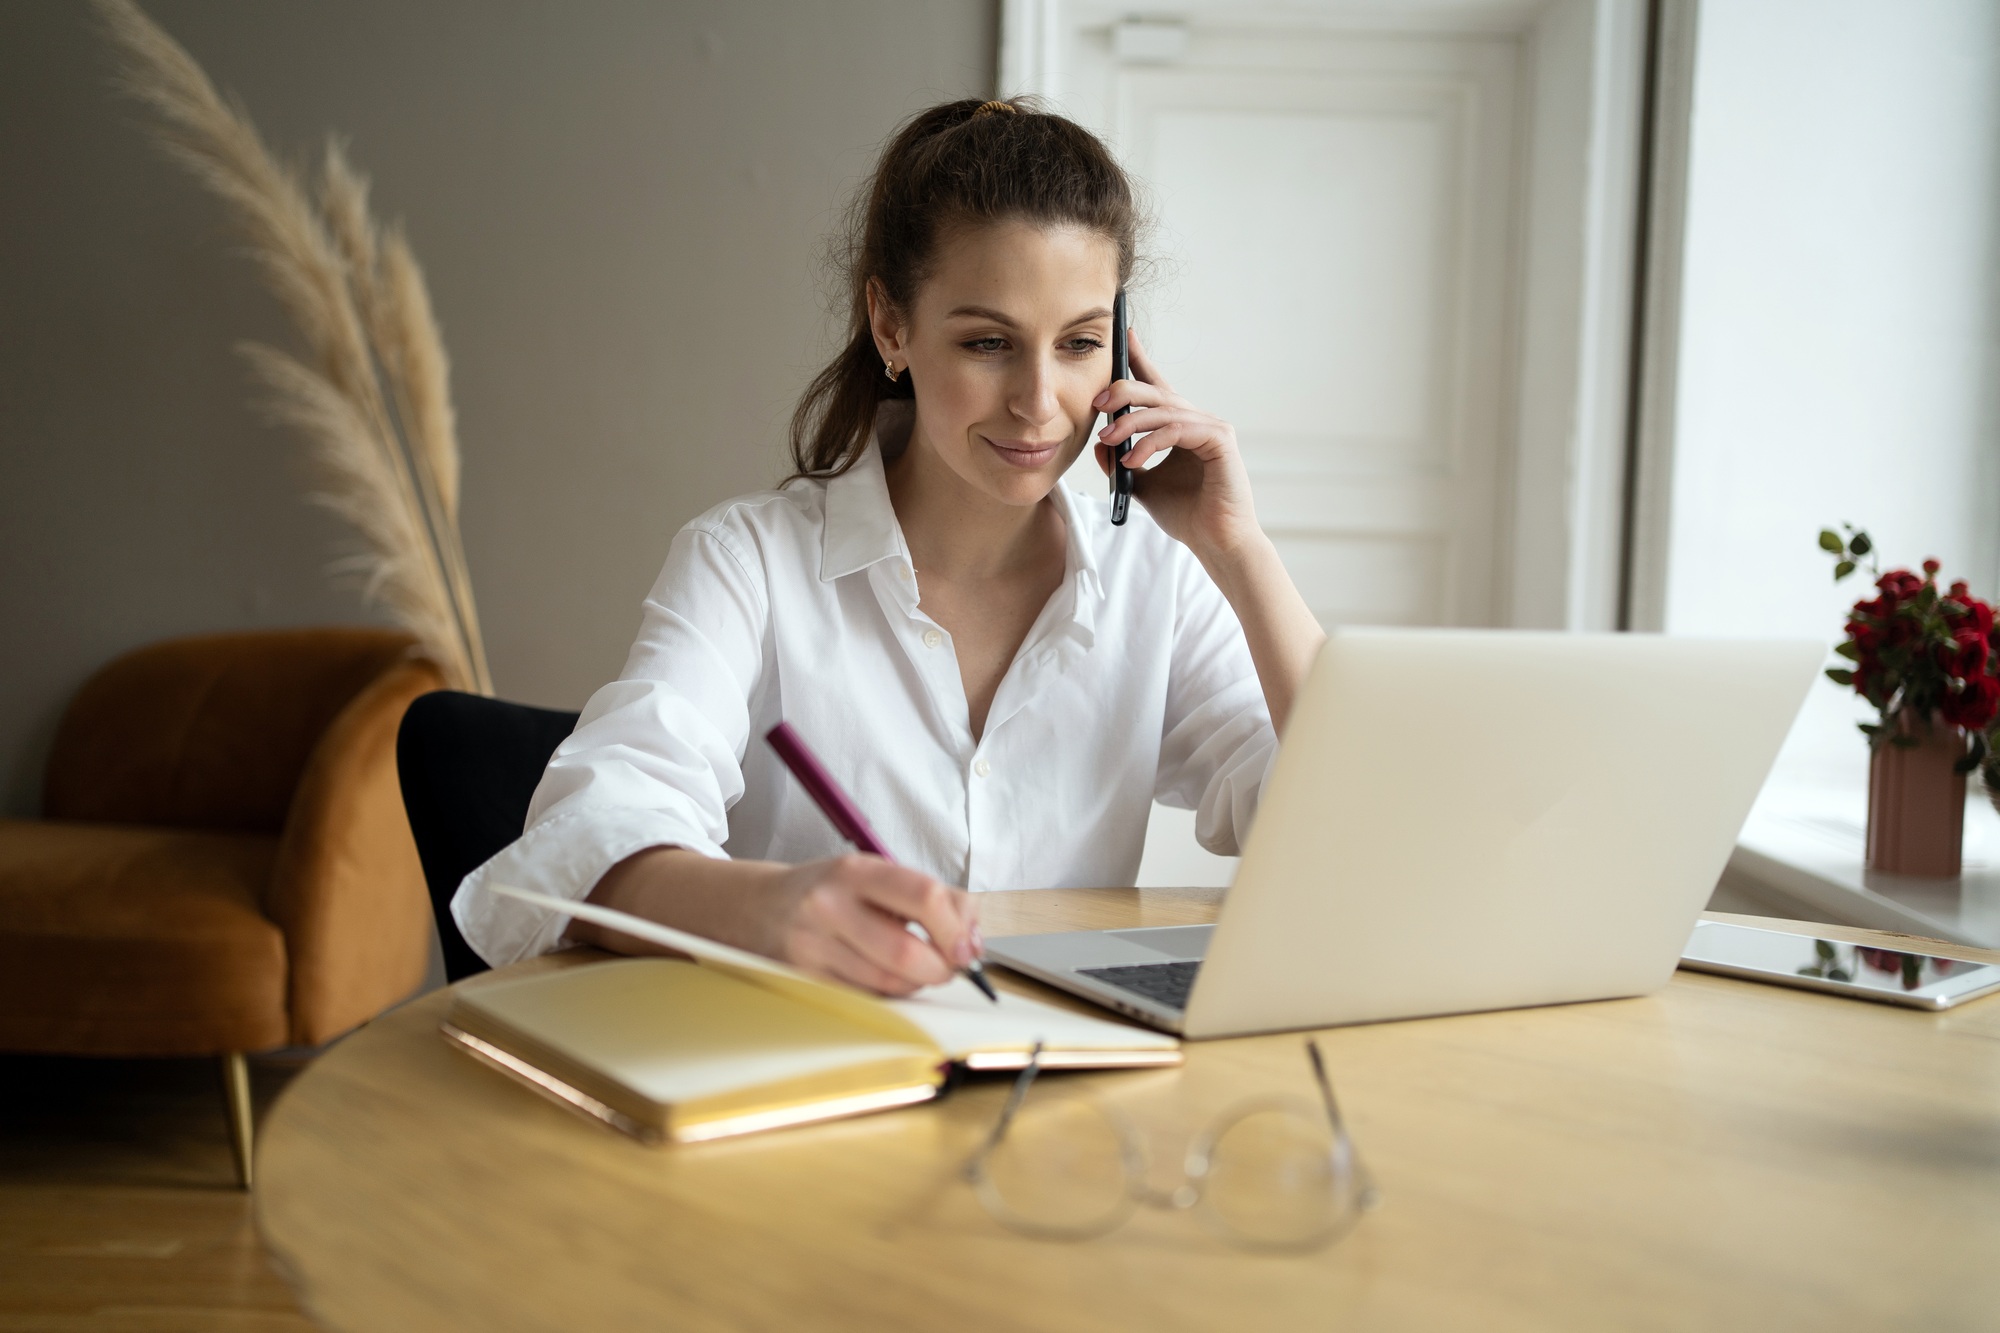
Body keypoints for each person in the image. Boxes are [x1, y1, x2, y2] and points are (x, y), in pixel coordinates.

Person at [454, 98, 1324, 995]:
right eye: (988, 342)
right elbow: (581, 835)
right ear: (891, 326)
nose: (1038, 399)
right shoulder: (748, 561)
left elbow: (1341, 835)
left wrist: (1240, 550)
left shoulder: (1163, 582)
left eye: (1079, 344)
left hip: (1059, 1083)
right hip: (810, 1078)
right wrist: (770, 908)